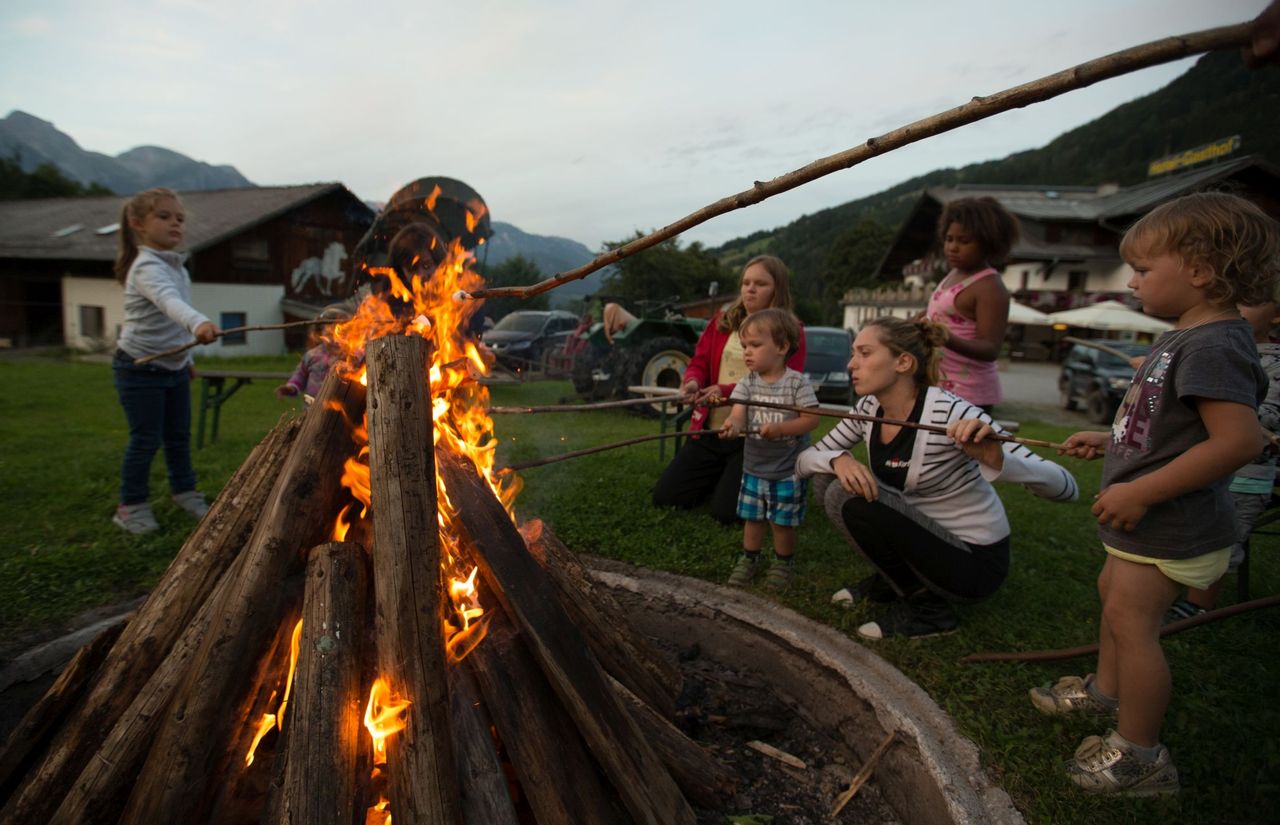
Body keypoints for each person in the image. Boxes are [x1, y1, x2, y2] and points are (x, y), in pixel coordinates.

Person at [1030, 192, 1279, 796]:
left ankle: (1140, 754)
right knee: (1113, 598)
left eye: (1143, 269)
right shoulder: (1185, 337)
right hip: (1150, 523)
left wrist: (1141, 491)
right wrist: (1107, 435)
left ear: (1199, 270)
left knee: (1133, 622)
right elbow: (1166, 425)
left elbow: (1238, 441)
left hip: (1172, 521)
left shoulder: (1215, 342)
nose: (1132, 281)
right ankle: (1104, 696)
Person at [795, 316, 1078, 639]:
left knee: (843, 496)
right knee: (827, 479)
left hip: (973, 563)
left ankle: (930, 612)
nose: (851, 364)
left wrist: (997, 458)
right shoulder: (868, 408)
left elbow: (1067, 487)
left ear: (903, 362)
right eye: (853, 353)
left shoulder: (952, 413)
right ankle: (893, 580)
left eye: (864, 353)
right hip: (922, 538)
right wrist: (837, 458)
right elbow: (805, 461)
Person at [652, 255, 807, 524]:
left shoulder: (791, 331)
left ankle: (733, 482)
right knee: (666, 497)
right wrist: (693, 381)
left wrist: (723, 390)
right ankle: (721, 477)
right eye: (746, 282)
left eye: (760, 283)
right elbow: (699, 361)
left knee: (726, 514)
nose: (750, 289)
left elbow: (778, 385)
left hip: (755, 437)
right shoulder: (722, 322)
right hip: (711, 429)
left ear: (777, 288)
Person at [1163, 296, 1280, 621]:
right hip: (1198, 468)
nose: (1236, 311)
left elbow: (1266, 419)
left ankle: (1199, 606)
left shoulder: (1273, 363)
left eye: (1248, 303)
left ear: (1277, 316)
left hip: (1246, 476)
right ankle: (1175, 591)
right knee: (1192, 532)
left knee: (1222, 541)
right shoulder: (1203, 346)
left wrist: (1218, 403)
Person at [111, 188, 220, 534]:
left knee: (177, 435)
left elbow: (172, 327)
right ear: (137, 224)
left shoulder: (176, 266)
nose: (175, 223)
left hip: (173, 367)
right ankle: (131, 505)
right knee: (146, 438)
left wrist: (185, 358)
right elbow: (168, 302)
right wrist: (198, 323)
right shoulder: (146, 268)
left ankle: (184, 491)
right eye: (164, 216)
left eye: (179, 218)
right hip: (140, 367)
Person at [718, 308, 820, 591]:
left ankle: (783, 562)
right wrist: (733, 425)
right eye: (744, 346)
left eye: (755, 345)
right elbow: (739, 412)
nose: (747, 353)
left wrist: (782, 430)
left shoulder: (797, 382)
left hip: (787, 470)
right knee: (753, 518)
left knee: (781, 523)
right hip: (754, 468)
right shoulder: (747, 382)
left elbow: (812, 418)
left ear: (782, 347)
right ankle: (749, 558)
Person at [924, 196, 1020, 411]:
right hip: (939, 387)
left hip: (969, 395)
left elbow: (990, 348)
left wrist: (945, 338)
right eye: (949, 239)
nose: (953, 248)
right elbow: (941, 313)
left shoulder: (990, 287)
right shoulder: (953, 275)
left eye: (964, 241)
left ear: (988, 243)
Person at [275, 305, 347, 404]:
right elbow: (300, 376)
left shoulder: (350, 356)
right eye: (329, 335)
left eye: (339, 334)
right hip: (312, 408)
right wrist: (290, 388)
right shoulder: (312, 355)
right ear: (320, 334)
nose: (334, 340)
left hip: (341, 408)